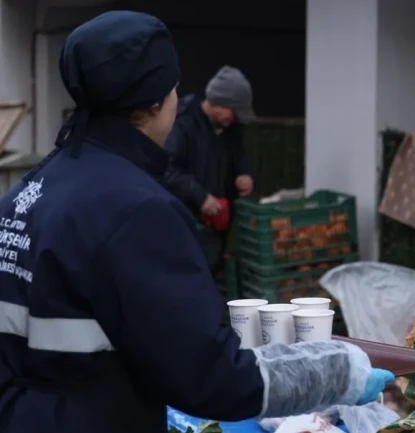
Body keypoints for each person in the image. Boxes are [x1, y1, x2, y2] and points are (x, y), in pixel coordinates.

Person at [0, 11, 393, 433]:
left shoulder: (27, 191)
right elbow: (207, 373)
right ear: (157, 101)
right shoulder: (137, 210)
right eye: (173, 87)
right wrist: (339, 373)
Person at [164, 65, 257, 270]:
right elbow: (168, 169)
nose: (235, 118)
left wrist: (244, 174)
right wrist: (201, 197)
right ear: (218, 103)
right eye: (233, 112)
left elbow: (239, 155)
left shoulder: (231, 127)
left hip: (219, 226)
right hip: (188, 224)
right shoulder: (183, 122)